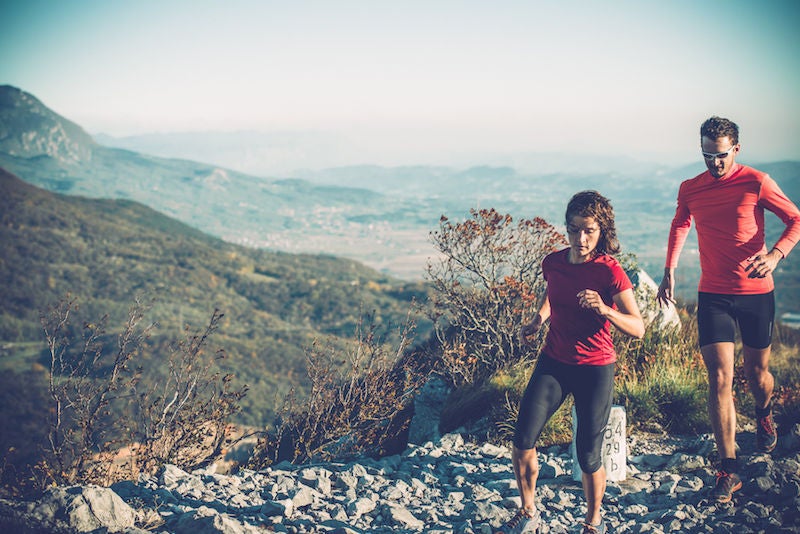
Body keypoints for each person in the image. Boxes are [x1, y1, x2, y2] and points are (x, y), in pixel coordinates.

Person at [657, 116, 800, 503]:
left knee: (758, 375)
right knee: (720, 378)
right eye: (707, 155)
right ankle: (729, 469)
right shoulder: (691, 188)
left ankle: (765, 411)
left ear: (736, 148)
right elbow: (679, 224)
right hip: (714, 295)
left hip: (756, 294)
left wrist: (775, 255)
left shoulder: (757, 182)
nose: (714, 163)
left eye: (720, 155)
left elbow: (795, 220)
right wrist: (668, 271)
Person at [497, 191, 645, 534]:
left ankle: (593, 522)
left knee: (588, 455)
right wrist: (538, 319)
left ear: (602, 231)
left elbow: (638, 327)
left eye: (589, 231)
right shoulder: (554, 263)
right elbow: (555, 292)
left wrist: (606, 309)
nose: (581, 238)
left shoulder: (609, 272)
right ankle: (529, 511)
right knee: (522, 441)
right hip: (555, 361)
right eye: (574, 229)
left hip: (595, 368)